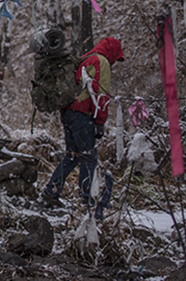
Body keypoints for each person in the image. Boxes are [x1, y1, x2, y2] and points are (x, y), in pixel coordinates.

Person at [40, 37, 125, 220]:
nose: (115, 62)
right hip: (81, 114)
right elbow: (101, 94)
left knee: (72, 155)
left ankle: (51, 192)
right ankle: (87, 201)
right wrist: (100, 121)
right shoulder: (101, 61)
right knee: (88, 157)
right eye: (116, 57)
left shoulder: (87, 58)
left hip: (68, 111)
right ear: (111, 52)